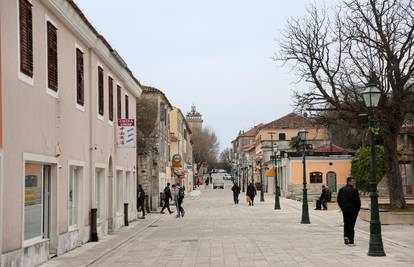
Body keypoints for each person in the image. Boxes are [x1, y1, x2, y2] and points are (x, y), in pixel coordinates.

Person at [337, 176, 361, 245]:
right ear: (349, 181)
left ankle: (345, 236)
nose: (354, 182)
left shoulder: (342, 189)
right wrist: (358, 209)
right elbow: (357, 201)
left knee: (346, 223)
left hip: (345, 210)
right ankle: (351, 240)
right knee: (351, 225)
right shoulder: (354, 190)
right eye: (353, 181)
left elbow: (338, 200)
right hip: (353, 210)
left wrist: (342, 207)